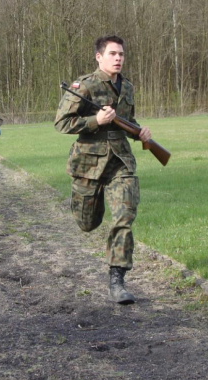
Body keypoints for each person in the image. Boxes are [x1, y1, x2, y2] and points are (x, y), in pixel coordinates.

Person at [54, 35, 151, 304]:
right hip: (88, 165)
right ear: (99, 56)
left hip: (120, 163)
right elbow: (62, 123)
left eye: (121, 54)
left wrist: (139, 132)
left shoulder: (127, 87)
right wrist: (95, 120)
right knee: (88, 224)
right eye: (112, 54)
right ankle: (85, 206)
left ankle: (117, 281)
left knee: (124, 216)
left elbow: (126, 122)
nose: (118, 58)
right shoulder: (84, 86)